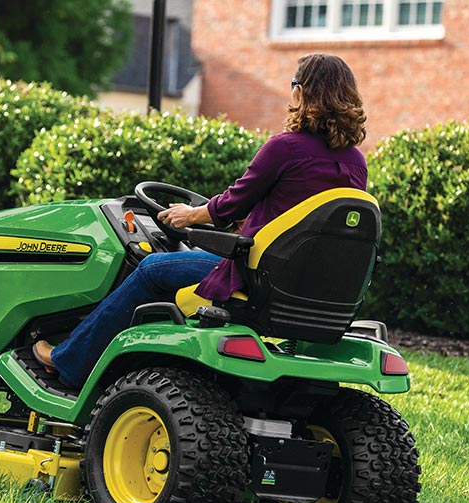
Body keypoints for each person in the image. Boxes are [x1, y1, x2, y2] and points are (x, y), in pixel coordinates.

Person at [33, 53, 369, 388]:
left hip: (256, 278)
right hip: (312, 288)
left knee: (151, 269)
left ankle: (69, 361)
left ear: (302, 92)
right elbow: (304, 219)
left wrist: (189, 215)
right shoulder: (356, 163)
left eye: (294, 84)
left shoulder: (285, 148)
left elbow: (232, 202)